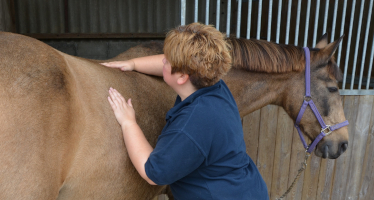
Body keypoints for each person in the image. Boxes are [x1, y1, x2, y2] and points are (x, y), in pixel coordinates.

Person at [102, 22, 269, 200]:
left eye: (166, 59)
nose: (162, 60)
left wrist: (128, 123)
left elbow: (152, 173)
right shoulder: (214, 85)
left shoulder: (191, 125)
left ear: (182, 77)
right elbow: (173, 65)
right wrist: (133, 63)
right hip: (248, 188)